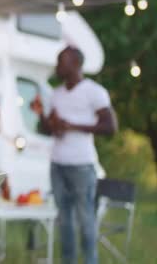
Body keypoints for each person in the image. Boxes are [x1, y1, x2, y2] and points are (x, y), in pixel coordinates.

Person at [31, 46, 117, 264]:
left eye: (62, 61)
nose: (58, 65)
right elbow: (49, 130)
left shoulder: (94, 91)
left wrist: (74, 126)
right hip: (57, 163)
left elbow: (110, 127)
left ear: (76, 64)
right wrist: (42, 114)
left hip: (82, 165)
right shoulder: (56, 94)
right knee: (64, 221)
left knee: (86, 220)